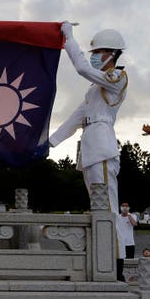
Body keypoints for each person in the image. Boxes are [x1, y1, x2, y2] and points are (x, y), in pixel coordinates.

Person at [50, 23, 127, 215]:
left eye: (98, 51)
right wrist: (49, 143)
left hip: (102, 149)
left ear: (112, 54)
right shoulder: (95, 88)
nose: (94, 56)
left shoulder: (118, 78)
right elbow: (76, 117)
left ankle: (113, 246)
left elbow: (83, 69)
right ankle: (104, 245)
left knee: (107, 210)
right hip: (90, 149)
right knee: (98, 208)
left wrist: (69, 40)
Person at [115, 202, 138, 281]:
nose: (124, 207)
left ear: (129, 207)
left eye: (126, 206)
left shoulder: (132, 216)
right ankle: (120, 277)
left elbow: (134, 224)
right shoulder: (117, 217)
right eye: (123, 206)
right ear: (120, 207)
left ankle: (130, 278)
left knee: (129, 262)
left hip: (130, 243)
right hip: (120, 243)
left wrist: (129, 216)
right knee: (120, 261)